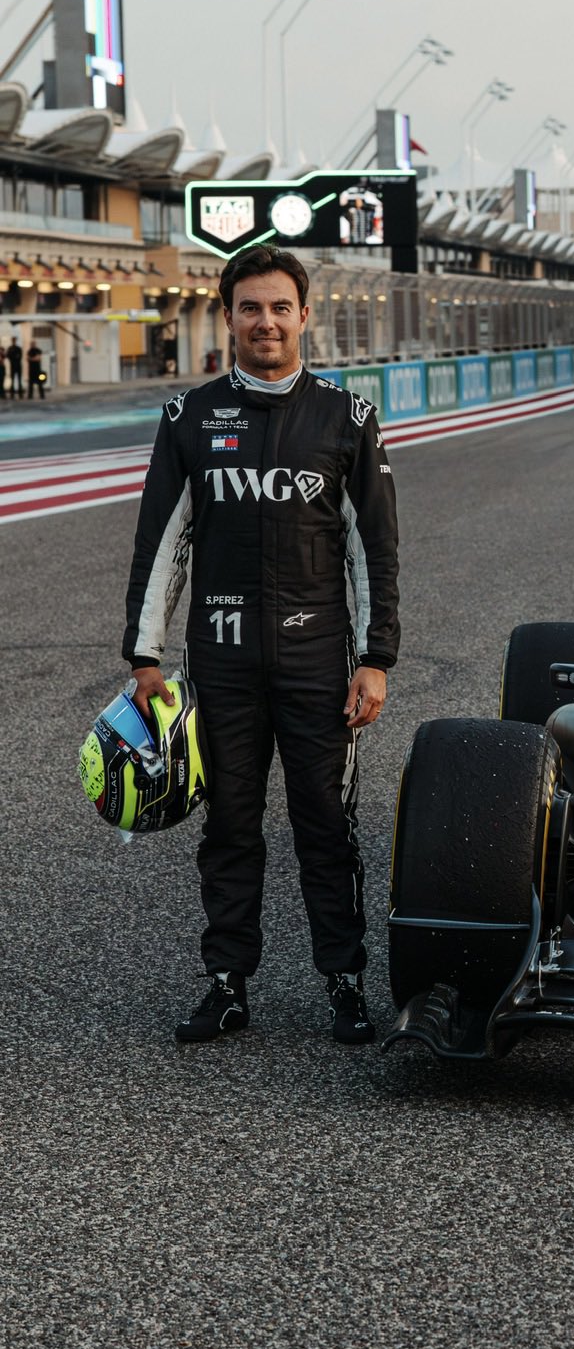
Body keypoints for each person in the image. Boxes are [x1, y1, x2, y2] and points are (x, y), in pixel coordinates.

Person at [121, 246, 400, 1045]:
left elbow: (374, 551)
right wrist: (145, 656)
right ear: (229, 317)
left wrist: (375, 659)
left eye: (280, 307)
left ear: (305, 315)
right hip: (221, 665)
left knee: (325, 828)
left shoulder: (348, 418)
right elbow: (161, 543)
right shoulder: (188, 417)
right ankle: (226, 985)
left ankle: (344, 984)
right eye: (250, 308)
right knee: (229, 830)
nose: (266, 322)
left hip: (318, 664)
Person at [3, 335, 18, 399]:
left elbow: (18, 357)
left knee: (18, 379)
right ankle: (12, 393)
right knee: (12, 379)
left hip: (17, 366)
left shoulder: (18, 348)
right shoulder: (10, 348)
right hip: (12, 366)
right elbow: (7, 356)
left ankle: (19, 393)